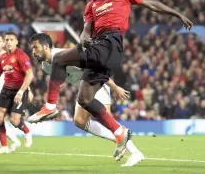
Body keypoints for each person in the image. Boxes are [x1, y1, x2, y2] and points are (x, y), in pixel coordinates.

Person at [28, 0, 193, 158]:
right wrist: (84, 40)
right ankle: (119, 132)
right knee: (85, 100)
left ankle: (49, 107)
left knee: (58, 59)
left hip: (111, 44)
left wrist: (177, 14)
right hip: (99, 49)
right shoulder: (91, 5)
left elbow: (151, 4)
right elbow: (85, 31)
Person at [29, 33, 144, 166]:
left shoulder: (64, 56)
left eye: (35, 47)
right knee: (80, 121)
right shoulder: (46, 66)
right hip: (84, 87)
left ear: (46, 46)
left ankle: (134, 151)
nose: (33, 52)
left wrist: (115, 87)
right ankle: (121, 140)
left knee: (107, 123)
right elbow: (58, 83)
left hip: (96, 83)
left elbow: (95, 68)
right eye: (32, 48)